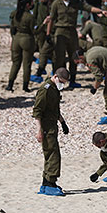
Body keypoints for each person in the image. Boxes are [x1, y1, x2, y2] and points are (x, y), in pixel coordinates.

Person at [47, 0, 107, 87]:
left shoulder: (75, 2)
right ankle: (58, 80)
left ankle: (72, 80)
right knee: (59, 58)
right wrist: (48, 34)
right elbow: (51, 19)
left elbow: (88, 8)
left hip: (72, 31)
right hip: (60, 31)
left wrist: (101, 11)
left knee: (74, 56)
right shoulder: (56, 3)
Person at [32, 68, 70, 196]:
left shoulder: (54, 89)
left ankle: (46, 183)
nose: (62, 85)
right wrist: (39, 131)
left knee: (50, 154)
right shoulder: (45, 89)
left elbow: (55, 109)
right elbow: (37, 111)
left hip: (53, 125)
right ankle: (50, 183)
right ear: (55, 77)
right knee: (53, 155)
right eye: (61, 81)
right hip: (46, 127)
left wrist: (63, 122)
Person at [74, 46, 107, 124]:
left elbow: (99, 77)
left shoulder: (89, 60)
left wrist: (94, 88)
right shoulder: (90, 51)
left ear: (80, 57)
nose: (79, 64)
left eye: (78, 62)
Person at [6, 0, 35, 92]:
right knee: (27, 64)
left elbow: (12, 28)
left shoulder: (14, 14)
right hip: (26, 39)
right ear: (28, 5)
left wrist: (13, 38)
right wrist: (44, 25)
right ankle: (25, 86)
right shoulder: (30, 16)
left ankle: (10, 85)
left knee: (15, 64)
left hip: (16, 39)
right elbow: (34, 31)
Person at [31, 0, 53, 83]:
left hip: (49, 29)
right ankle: (41, 67)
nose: (42, 0)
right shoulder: (38, 5)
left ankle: (46, 68)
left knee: (49, 50)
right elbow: (35, 16)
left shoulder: (51, 5)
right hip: (41, 28)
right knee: (41, 48)